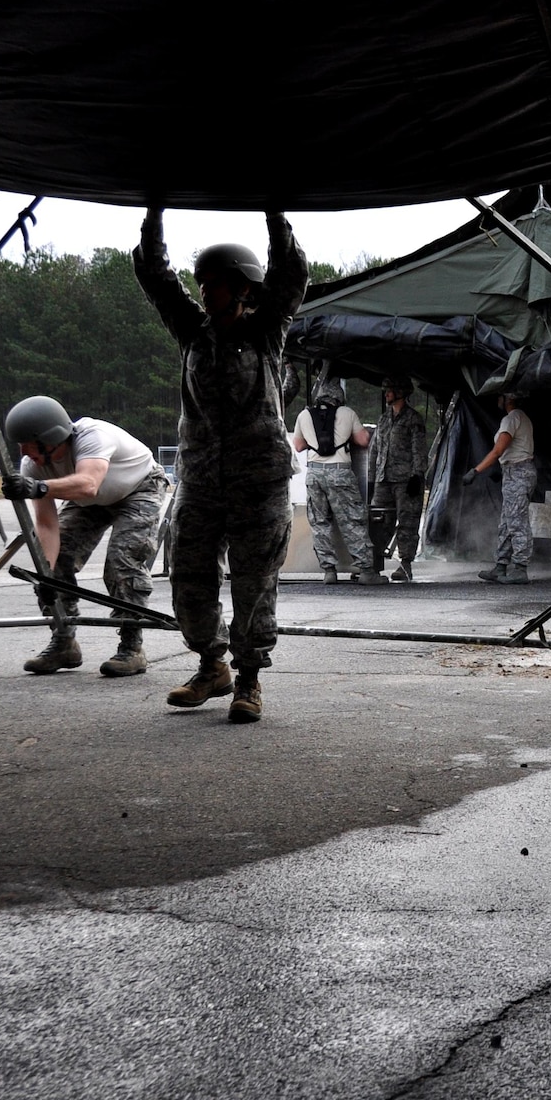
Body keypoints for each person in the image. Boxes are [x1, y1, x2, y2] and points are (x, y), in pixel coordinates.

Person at [133, 208, 308, 724]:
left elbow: (290, 273)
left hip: (260, 482)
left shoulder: (266, 331)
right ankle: (213, 666)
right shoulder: (192, 332)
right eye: (202, 284)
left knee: (254, 585)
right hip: (202, 481)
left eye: (215, 284)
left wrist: (275, 214)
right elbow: (155, 276)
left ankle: (249, 680)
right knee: (188, 577)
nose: (205, 293)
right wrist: (153, 213)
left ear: (243, 288)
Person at [0, 394, 167, 678]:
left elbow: (88, 484)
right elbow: (47, 524)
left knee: (122, 561)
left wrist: (38, 487)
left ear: (51, 438)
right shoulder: (33, 466)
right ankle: (64, 642)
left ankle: (131, 648)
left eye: (29, 445)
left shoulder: (93, 437)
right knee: (55, 560)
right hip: (89, 500)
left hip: (139, 489)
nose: (24, 454)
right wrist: (48, 573)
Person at [291, 372, 383, 585]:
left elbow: (298, 445)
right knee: (352, 521)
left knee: (320, 523)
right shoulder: (347, 413)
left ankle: (329, 571)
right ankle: (367, 571)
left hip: (314, 474)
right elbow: (362, 440)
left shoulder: (304, 415)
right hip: (340, 472)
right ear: (339, 397)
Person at [463, 391, 536, 584]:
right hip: (515, 471)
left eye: (500, 396)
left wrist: (476, 471)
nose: (497, 400)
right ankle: (500, 566)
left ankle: (520, 568)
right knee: (506, 522)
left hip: (518, 472)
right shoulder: (521, 418)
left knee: (517, 521)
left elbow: (498, 450)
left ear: (509, 399)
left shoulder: (512, 418)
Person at [369, 376, 429, 581]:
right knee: (378, 521)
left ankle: (405, 564)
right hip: (383, 479)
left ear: (401, 392)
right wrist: (371, 478)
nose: (386, 394)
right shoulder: (383, 419)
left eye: (390, 390)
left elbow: (419, 450)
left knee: (407, 521)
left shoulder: (413, 419)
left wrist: (417, 475)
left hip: (406, 481)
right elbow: (374, 450)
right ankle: (373, 563)